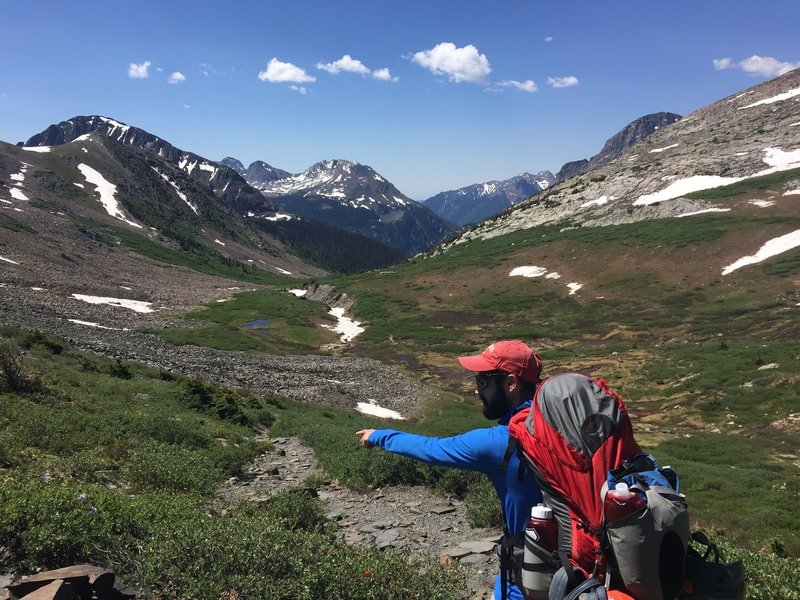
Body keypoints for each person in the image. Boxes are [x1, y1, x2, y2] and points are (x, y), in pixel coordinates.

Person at [356, 340, 544, 600]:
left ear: (511, 383)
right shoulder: (570, 428)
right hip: (585, 570)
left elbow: (431, 449)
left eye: (482, 381)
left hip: (529, 577)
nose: (477, 391)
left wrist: (381, 436)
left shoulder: (500, 441)